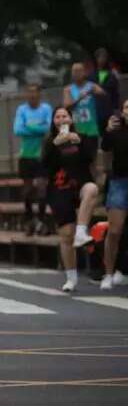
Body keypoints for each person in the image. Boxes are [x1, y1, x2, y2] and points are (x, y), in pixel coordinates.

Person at [42, 107, 99, 292]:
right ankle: (71, 277)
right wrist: (55, 145)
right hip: (59, 189)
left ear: (71, 119)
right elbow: (44, 166)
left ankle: (82, 231)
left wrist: (80, 142)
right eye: (57, 117)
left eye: (64, 116)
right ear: (53, 121)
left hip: (80, 185)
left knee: (92, 189)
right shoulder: (50, 141)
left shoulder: (81, 137)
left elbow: (90, 157)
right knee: (66, 234)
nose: (61, 120)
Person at [13, 84, 52, 236]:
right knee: (27, 189)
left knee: (42, 187)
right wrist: (38, 127)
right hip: (26, 154)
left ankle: (41, 220)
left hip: (41, 154)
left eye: (35, 94)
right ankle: (29, 219)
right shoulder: (22, 110)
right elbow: (17, 129)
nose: (32, 96)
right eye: (29, 94)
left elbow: (47, 128)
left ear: (39, 95)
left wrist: (29, 125)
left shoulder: (46, 109)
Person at [99, 99, 128, 290]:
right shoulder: (116, 129)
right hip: (120, 181)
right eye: (126, 107)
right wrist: (108, 130)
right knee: (115, 230)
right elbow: (105, 147)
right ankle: (108, 273)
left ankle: (122, 271)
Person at [63, 62, 106, 157]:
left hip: (91, 130)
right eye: (74, 71)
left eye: (79, 71)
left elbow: (103, 93)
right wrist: (79, 98)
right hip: (76, 130)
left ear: (84, 73)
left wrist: (95, 91)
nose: (76, 73)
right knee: (78, 159)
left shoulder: (91, 86)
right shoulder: (68, 89)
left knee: (92, 158)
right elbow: (66, 106)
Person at [90, 48, 120, 123]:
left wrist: (116, 111)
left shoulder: (112, 75)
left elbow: (115, 94)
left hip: (109, 110)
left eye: (104, 57)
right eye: (99, 57)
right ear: (96, 59)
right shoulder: (91, 76)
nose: (102, 59)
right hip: (95, 111)